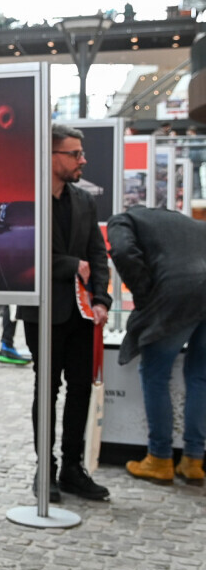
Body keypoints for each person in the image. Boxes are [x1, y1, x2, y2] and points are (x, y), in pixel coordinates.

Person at [18, 124, 112, 502]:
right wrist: (70, 265)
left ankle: (73, 469)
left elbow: (97, 254)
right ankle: (46, 469)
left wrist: (102, 299)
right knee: (47, 389)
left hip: (83, 313)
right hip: (42, 312)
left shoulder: (84, 201)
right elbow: (19, 254)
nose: (82, 160)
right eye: (75, 154)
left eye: (81, 153)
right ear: (51, 155)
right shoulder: (25, 199)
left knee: (80, 389)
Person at [108, 206, 206, 485]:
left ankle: (160, 458)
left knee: (155, 375)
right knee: (200, 376)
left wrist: (143, 294)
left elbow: (123, 251)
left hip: (175, 293)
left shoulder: (122, 220)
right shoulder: (186, 222)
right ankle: (194, 460)